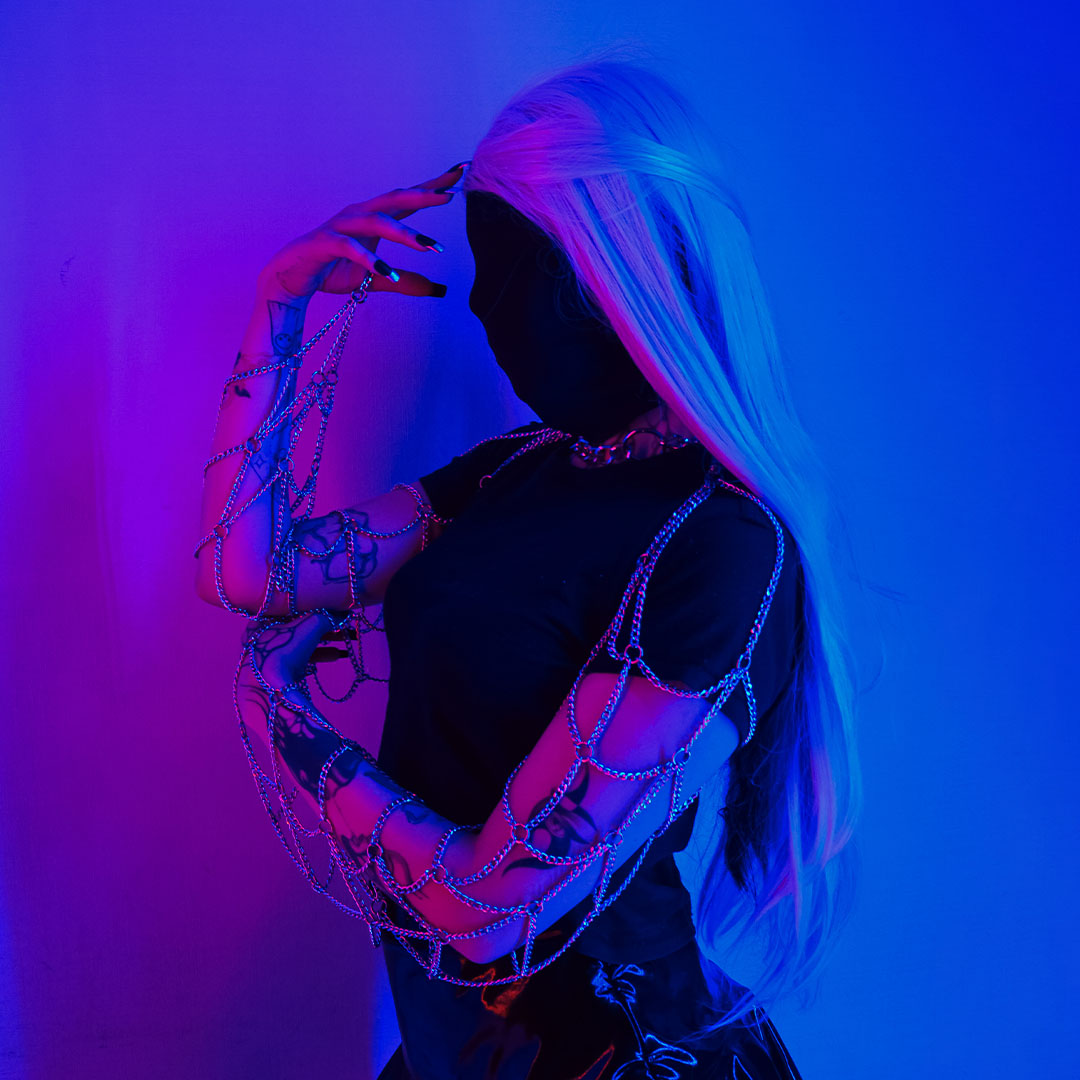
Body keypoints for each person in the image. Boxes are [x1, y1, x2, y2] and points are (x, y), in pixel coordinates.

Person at [195, 56, 863, 1080]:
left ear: (611, 276)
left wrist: (289, 728)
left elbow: (487, 907)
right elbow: (249, 569)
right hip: (458, 1057)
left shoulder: (723, 546)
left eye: (512, 268)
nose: (478, 307)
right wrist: (282, 313)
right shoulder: (521, 471)